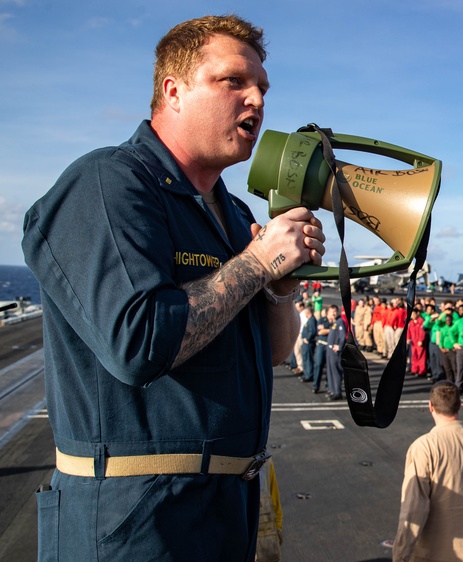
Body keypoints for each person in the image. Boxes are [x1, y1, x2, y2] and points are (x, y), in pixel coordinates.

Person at [23, 14, 325, 560]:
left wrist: (281, 284)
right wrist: (256, 262)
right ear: (174, 90)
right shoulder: (109, 183)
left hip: (223, 507)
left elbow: (275, 350)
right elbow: (137, 343)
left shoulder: (233, 213)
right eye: (234, 81)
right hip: (134, 519)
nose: (256, 99)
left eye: (262, 87)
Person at [393, 381, 463, 562]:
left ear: (431, 406)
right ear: (459, 405)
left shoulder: (424, 446)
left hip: (436, 553)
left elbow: (413, 508)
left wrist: (400, 554)